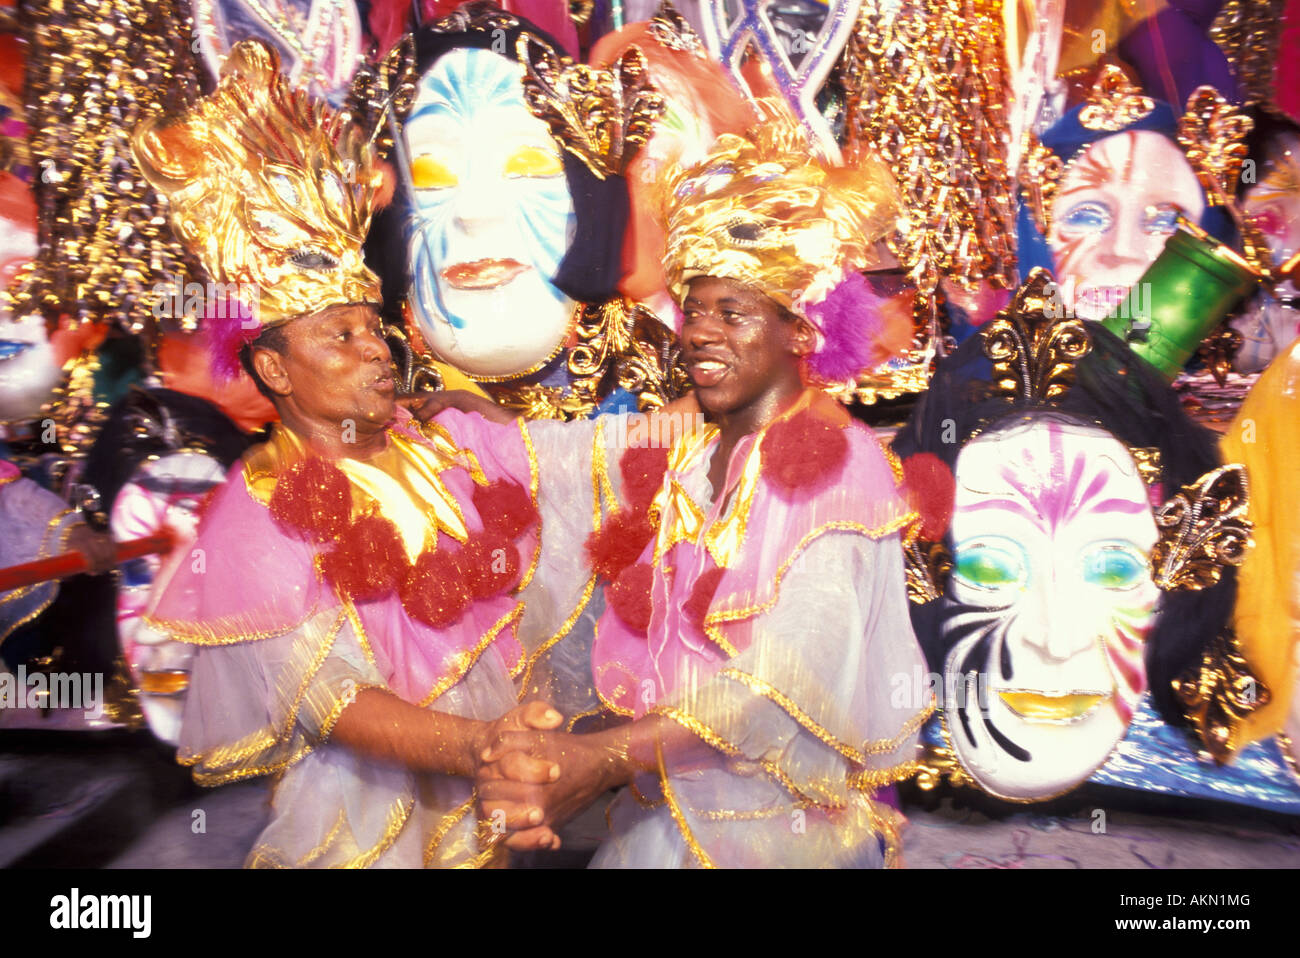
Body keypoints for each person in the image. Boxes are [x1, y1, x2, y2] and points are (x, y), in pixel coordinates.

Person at [423, 112, 932, 867]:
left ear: (801, 330)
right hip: (670, 810)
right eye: (694, 309)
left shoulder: (841, 468)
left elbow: (781, 678)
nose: (698, 332)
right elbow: (580, 461)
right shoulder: (694, 438)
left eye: (732, 312)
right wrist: (481, 425)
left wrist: (603, 758)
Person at [135, 39, 589, 867]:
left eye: (375, 329)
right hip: (367, 820)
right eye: (340, 337)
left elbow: (585, 465)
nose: (378, 351)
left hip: (493, 811)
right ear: (274, 368)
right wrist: (484, 748)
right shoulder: (258, 508)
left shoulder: (440, 439)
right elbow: (327, 698)